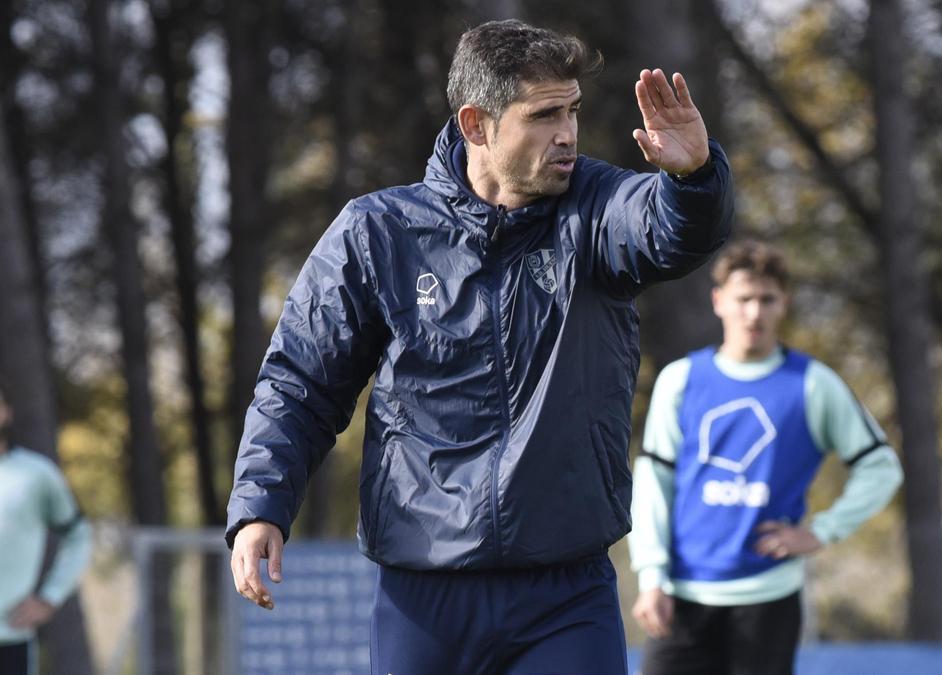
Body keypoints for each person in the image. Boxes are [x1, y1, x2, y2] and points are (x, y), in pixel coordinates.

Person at [225, 19, 733, 675]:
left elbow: (667, 229)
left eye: (573, 110)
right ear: (475, 124)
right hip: (423, 592)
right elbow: (299, 385)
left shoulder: (597, 205)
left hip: (565, 594)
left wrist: (692, 177)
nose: (568, 132)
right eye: (545, 114)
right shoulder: (377, 232)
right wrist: (260, 504)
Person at [628, 240, 903, 675]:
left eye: (766, 300)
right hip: (681, 597)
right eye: (743, 299)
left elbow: (881, 467)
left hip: (768, 599)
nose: (753, 313)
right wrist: (651, 575)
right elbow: (652, 484)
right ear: (719, 301)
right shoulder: (680, 380)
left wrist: (822, 531)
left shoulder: (813, 385)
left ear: (784, 304)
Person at [0, 386, 92, 675]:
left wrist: (49, 597)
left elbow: (78, 536)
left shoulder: (36, 474)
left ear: (6, 411)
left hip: (11, 638)